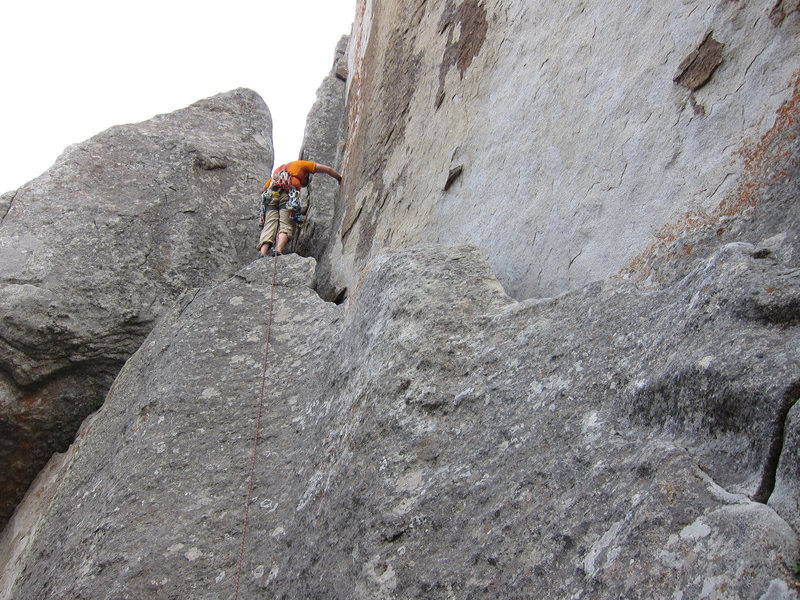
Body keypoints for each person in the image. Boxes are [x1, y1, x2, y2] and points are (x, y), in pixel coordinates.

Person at [257, 160, 342, 256]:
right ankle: (278, 250)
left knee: (269, 225)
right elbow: (328, 169)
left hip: (271, 196)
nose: (302, 184)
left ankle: (263, 253)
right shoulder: (303, 164)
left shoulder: (279, 171)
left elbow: (264, 188)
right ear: (306, 176)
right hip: (288, 195)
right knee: (286, 224)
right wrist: (340, 179)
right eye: (303, 183)